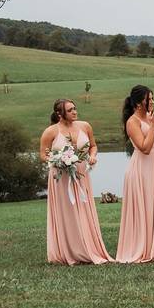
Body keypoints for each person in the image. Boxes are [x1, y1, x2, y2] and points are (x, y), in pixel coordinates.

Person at [40, 98, 113, 265]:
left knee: (83, 209)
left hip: (81, 174)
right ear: (60, 114)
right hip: (60, 177)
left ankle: (88, 248)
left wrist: (93, 156)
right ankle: (68, 250)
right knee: (66, 211)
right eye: (70, 110)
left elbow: (93, 146)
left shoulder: (85, 126)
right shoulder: (50, 131)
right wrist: (57, 159)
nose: (75, 111)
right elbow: (43, 155)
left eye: (75, 108)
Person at [115, 85, 154, 263]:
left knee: (153, 204)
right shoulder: (132, 122)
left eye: (152, 98)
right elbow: (144, 148)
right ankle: (140, 247)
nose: (153, 102)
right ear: (138, 102)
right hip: (140, 169)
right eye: (149, 99)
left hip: (153, 167)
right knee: (143, 206)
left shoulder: (150, 118)